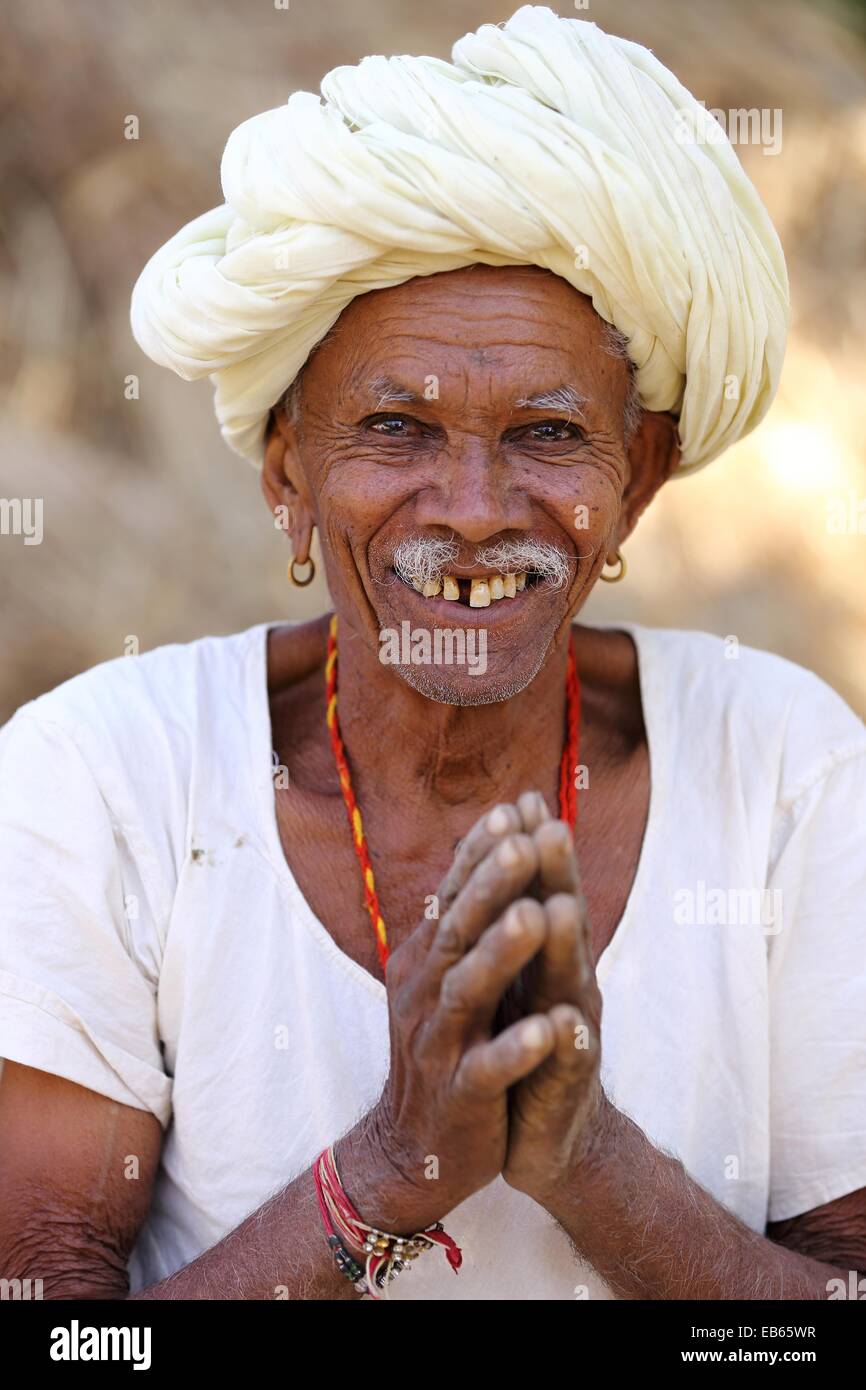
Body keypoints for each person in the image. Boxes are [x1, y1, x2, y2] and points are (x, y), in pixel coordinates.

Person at [1, 7, 864, 1301]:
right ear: (286, 472)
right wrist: (393, 1169)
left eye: (547, 434)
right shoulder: (103, 779)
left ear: (636, 482)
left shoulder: (785, 771)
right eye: (396, 427)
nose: (471, 506)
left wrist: (594, 1167)